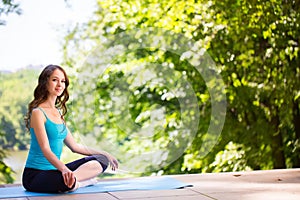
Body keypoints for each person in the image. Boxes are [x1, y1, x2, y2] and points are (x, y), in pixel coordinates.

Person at [22, 64, 119, 193]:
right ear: (45, 82)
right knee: (63, 181)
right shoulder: (38, 113)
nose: (59, 85)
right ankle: (79, 183)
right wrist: (64, 169)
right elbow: (46, 149)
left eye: (63, 81)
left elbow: (75, 147)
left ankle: (73, 182)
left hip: (55, 170)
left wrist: (104, 153)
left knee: (101, 160)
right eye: (54, 80)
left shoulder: (58, 113)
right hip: (35, 176)